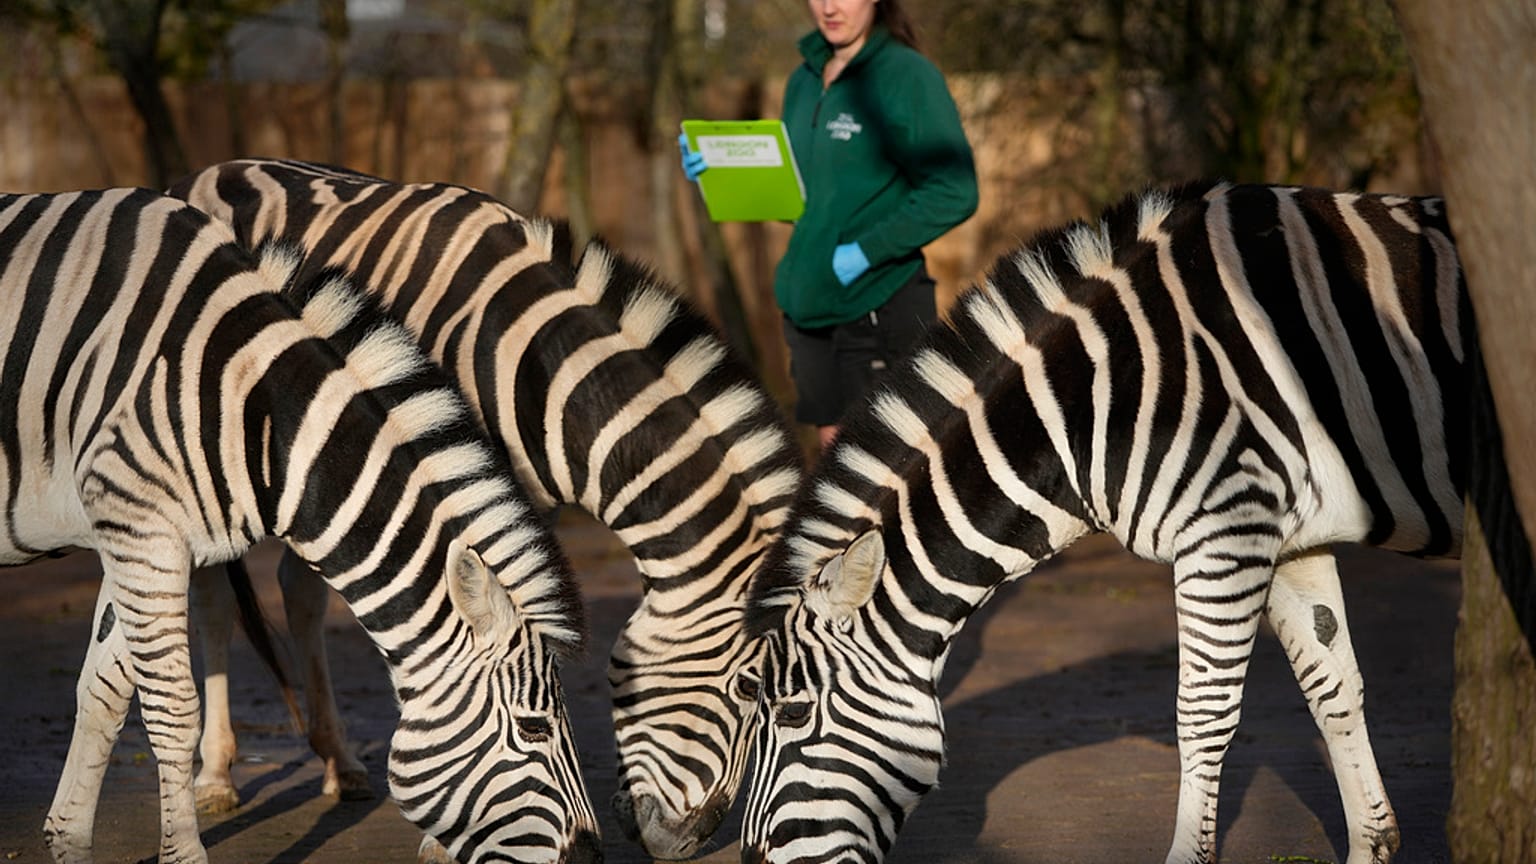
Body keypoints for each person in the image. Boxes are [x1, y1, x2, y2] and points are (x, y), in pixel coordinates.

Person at [681, 0, 978, 451]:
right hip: (810, 308)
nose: (829, 6)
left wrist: (867, 250)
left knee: (887, 464)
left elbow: (954, 190)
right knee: (833, 463)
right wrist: (720, 170)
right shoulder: (803, 81)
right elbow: (804, 199)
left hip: (878, 300)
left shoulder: (907, 77)